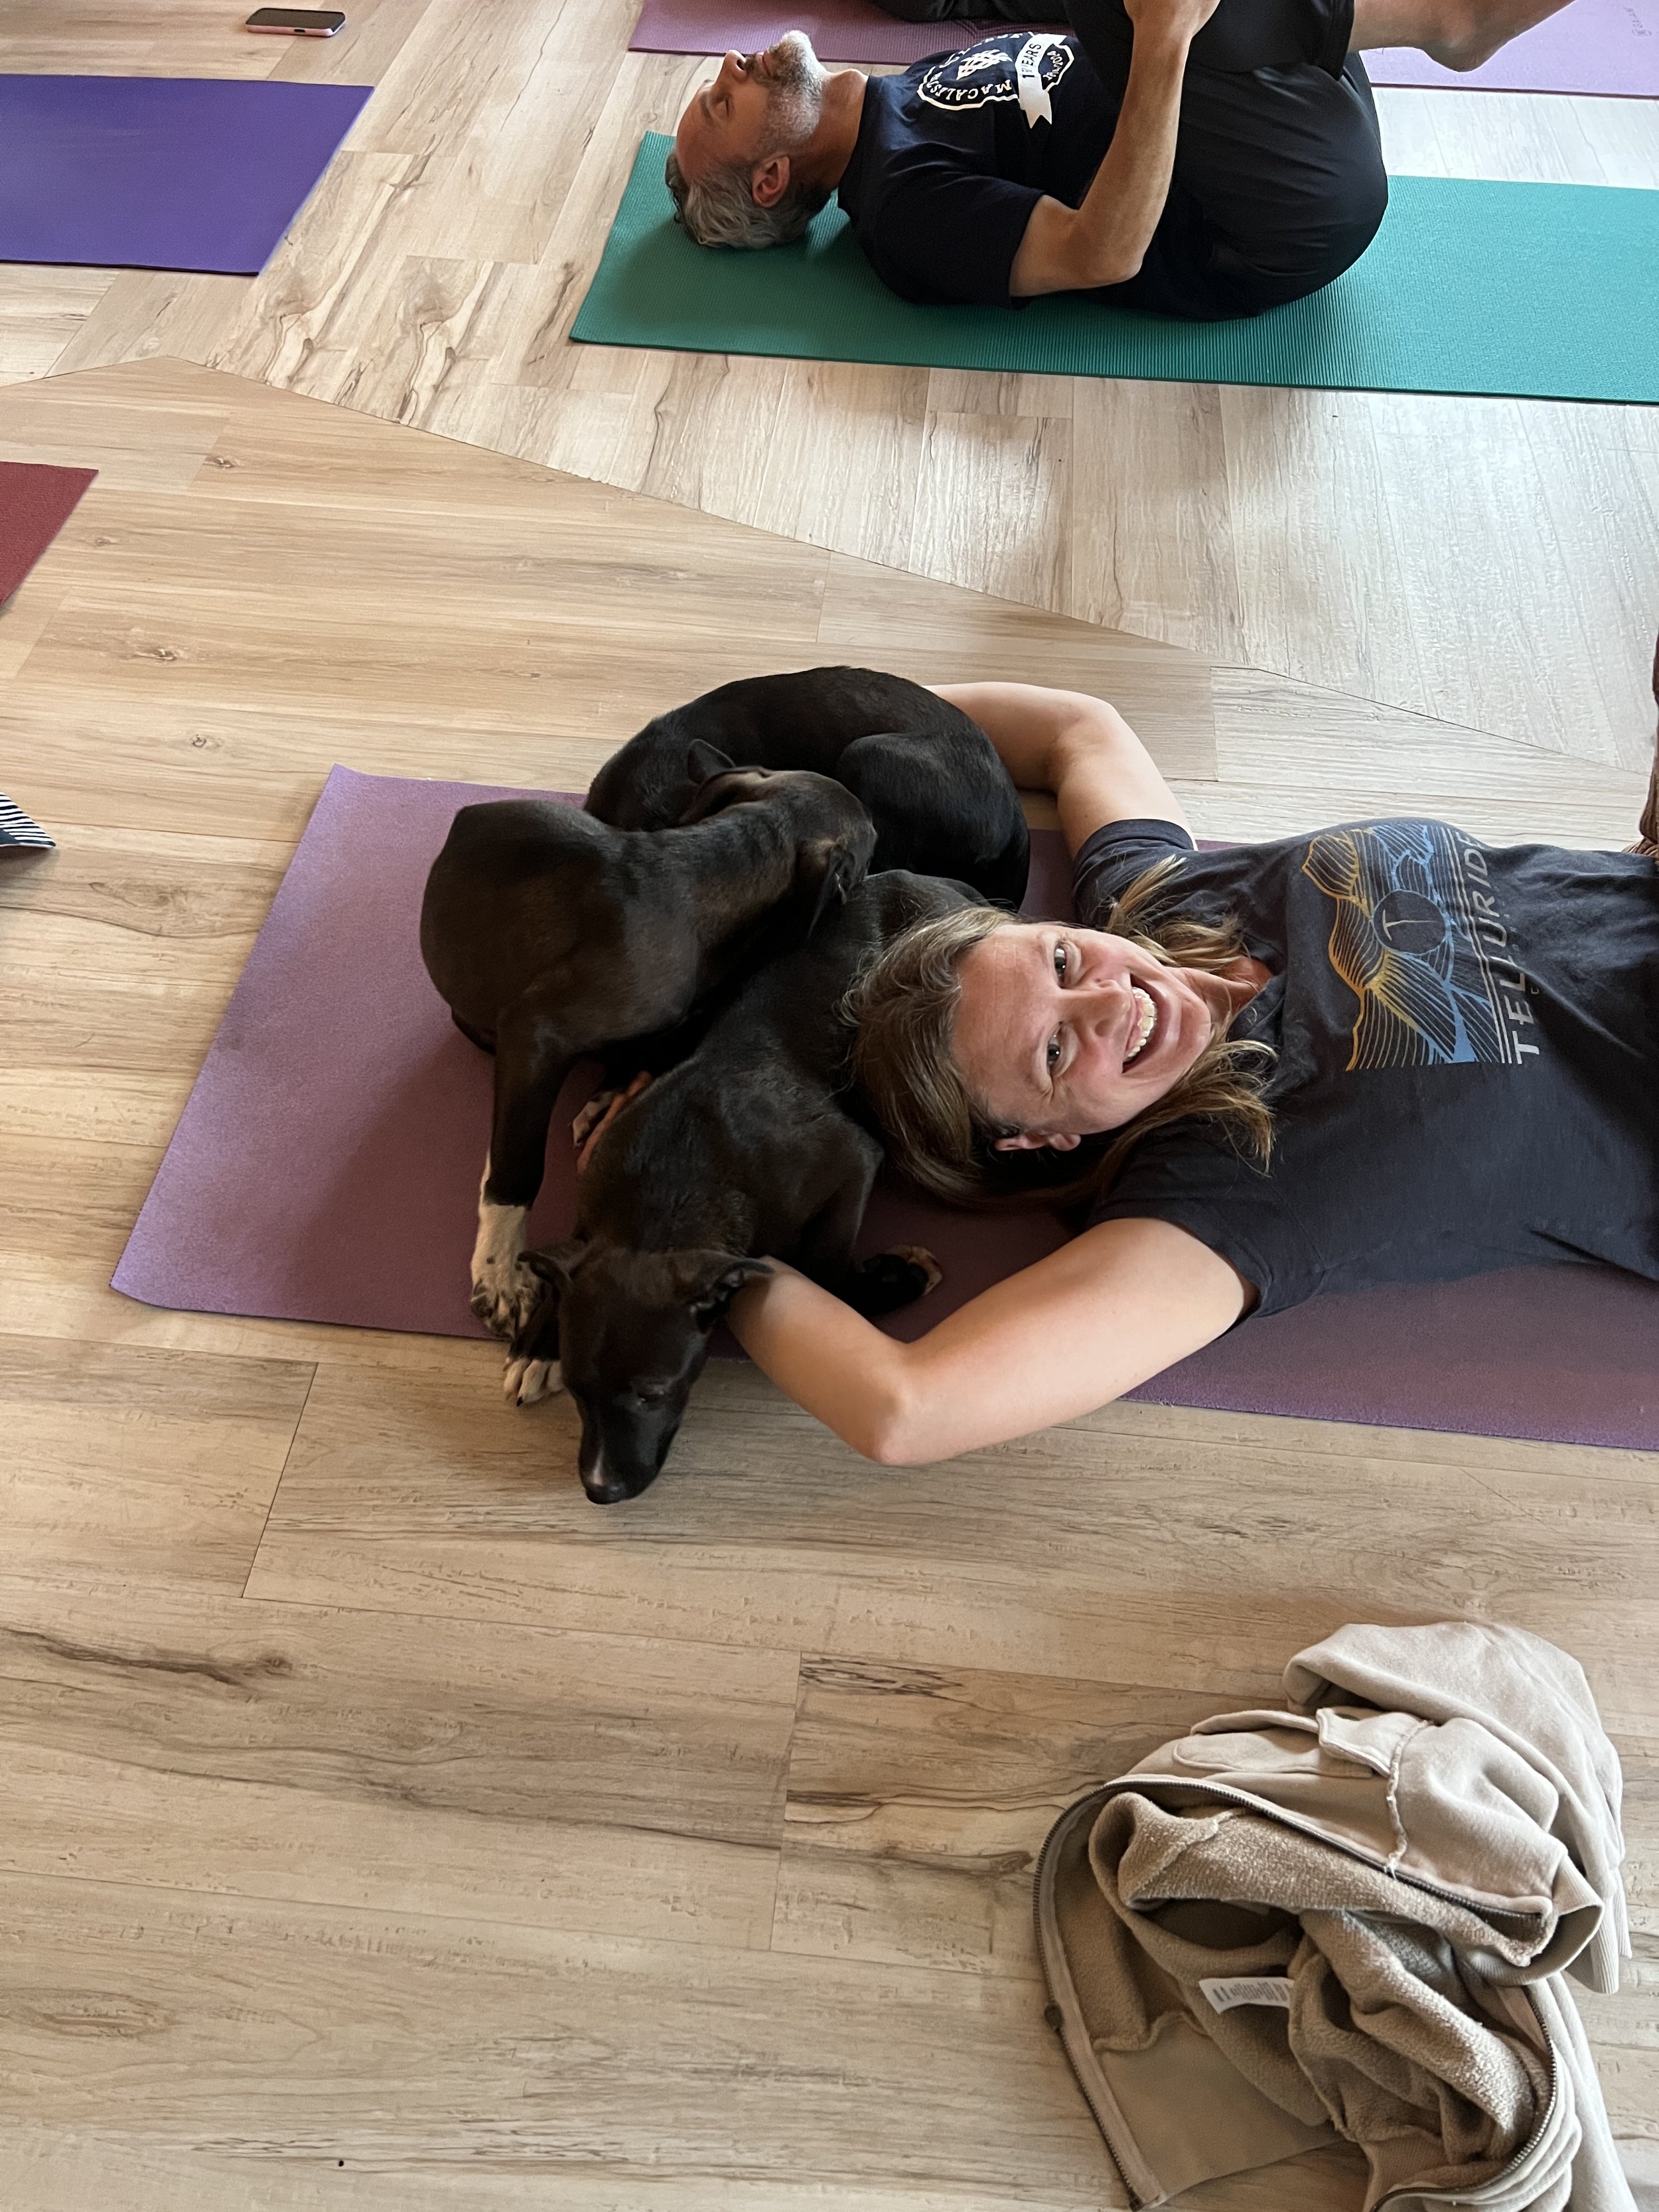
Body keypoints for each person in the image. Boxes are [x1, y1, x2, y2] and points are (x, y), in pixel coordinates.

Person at [725, 680, 1659, 1462]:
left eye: (1059, 961)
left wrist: (765, 730)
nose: (1108, 1002)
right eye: (1054, 1051)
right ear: (1043, 1136)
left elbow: (1077, 728)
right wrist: (702, 1256)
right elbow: (905, 1408)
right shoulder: (1222, 1194)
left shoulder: (1158, 902)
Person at [668, 0, 1577, 319]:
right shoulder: (902, 207)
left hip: (1285, 94)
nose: (731, 67)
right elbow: (1100, 253)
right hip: (1269, 217)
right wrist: (1166, 37)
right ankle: (1454, 22)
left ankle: (1447, 18)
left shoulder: (914, 90)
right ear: (772, 178)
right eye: (724, 103)